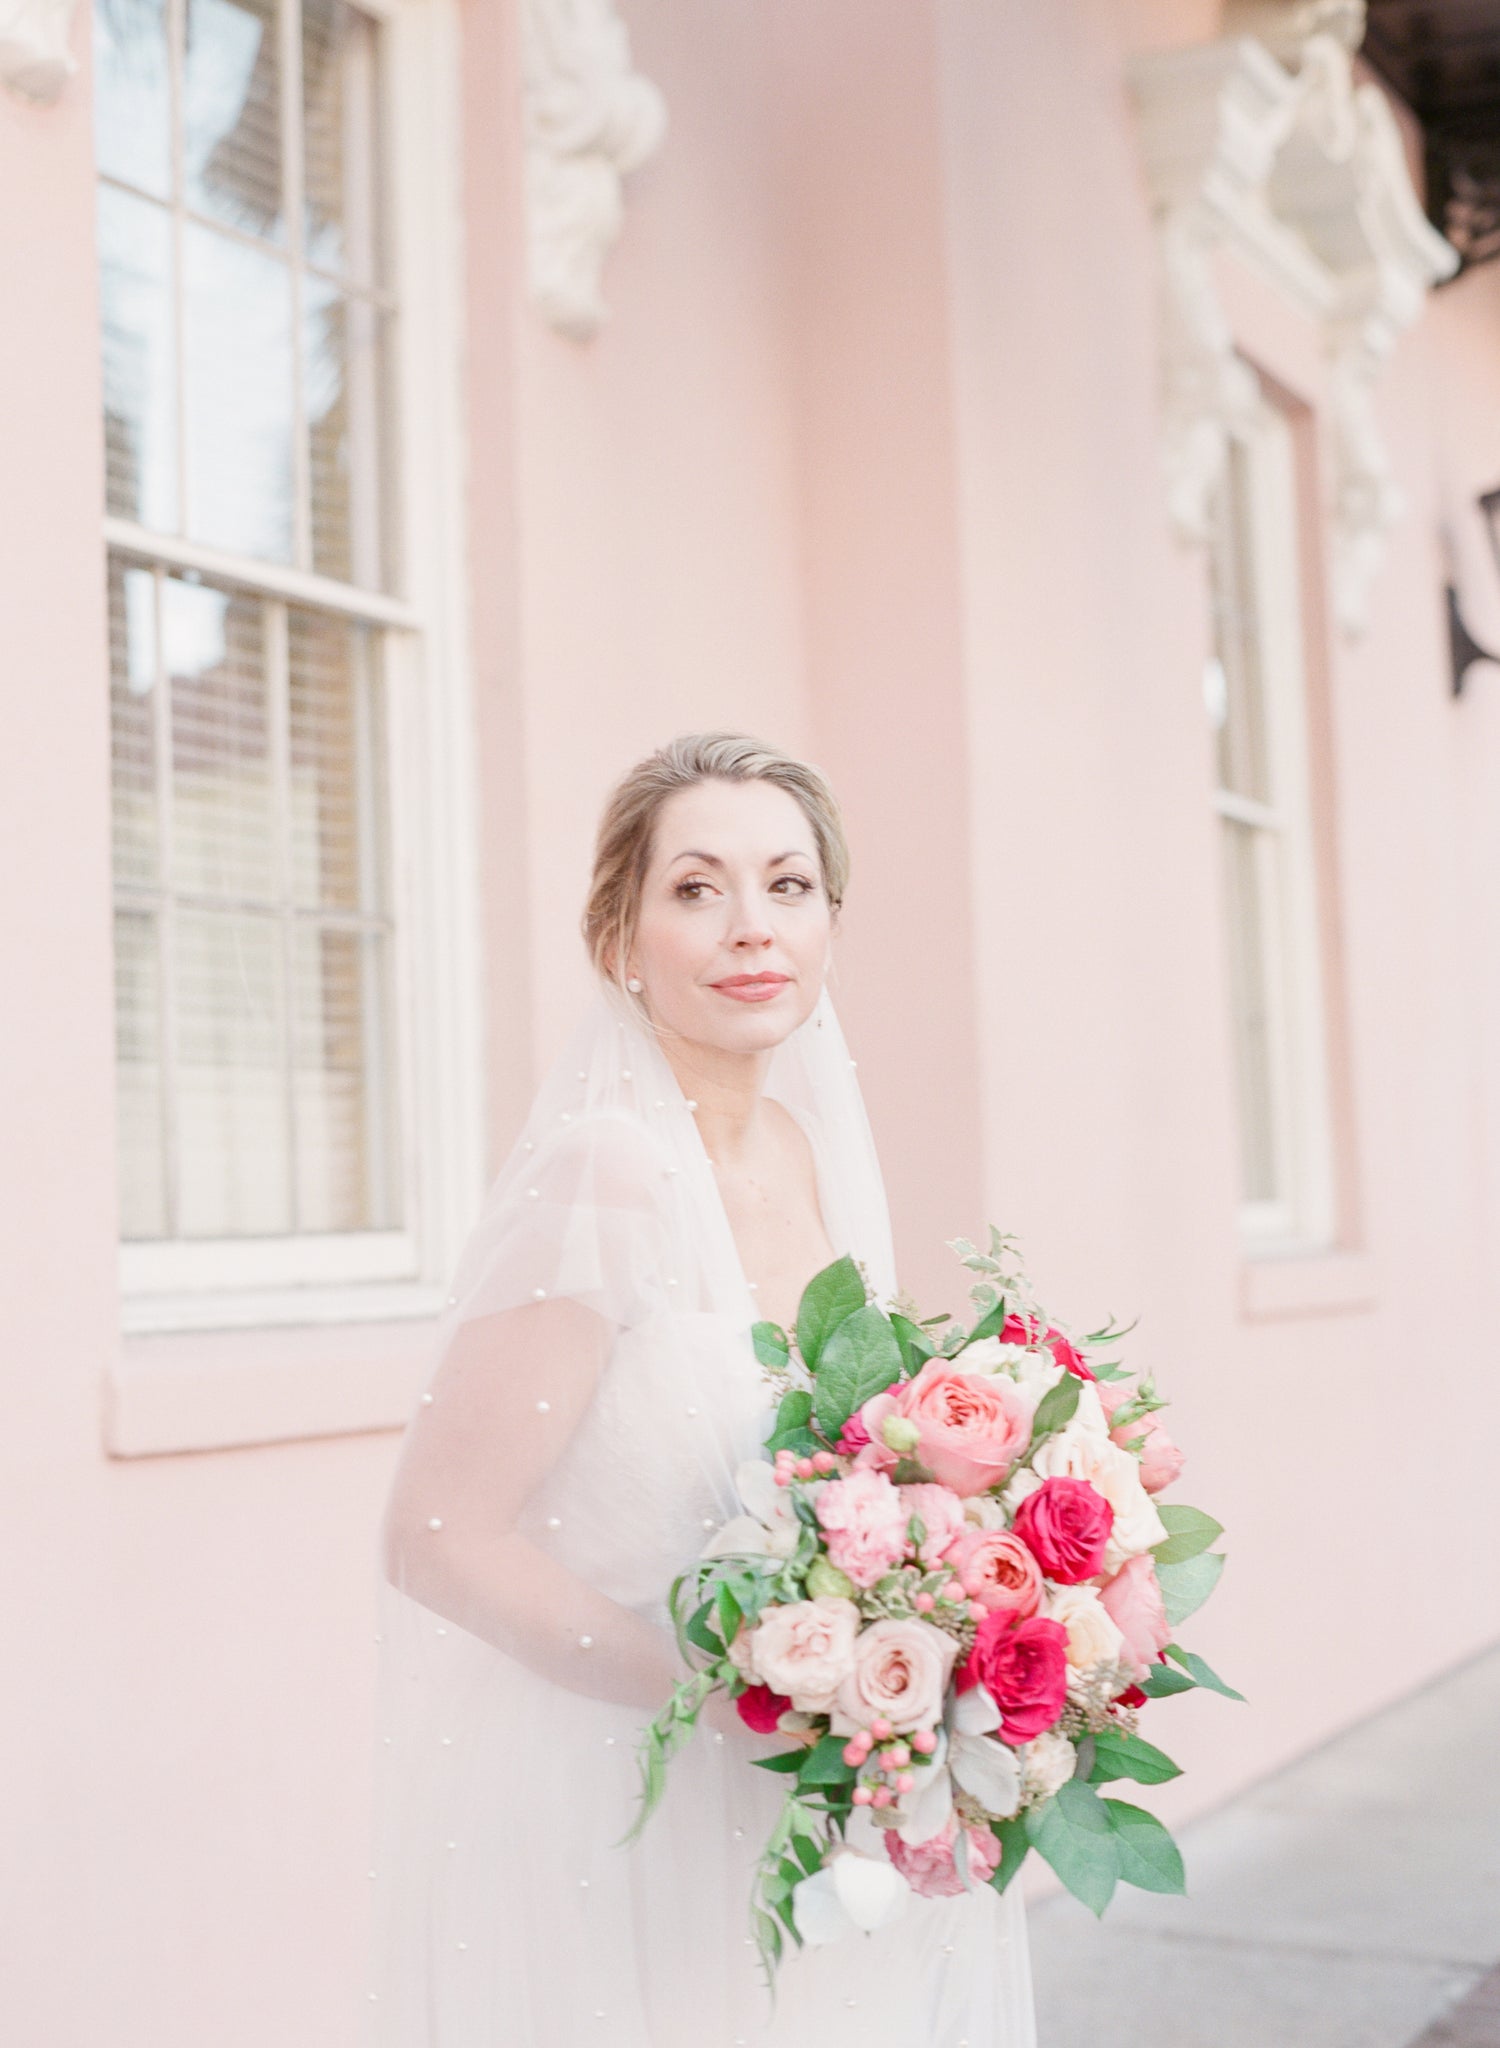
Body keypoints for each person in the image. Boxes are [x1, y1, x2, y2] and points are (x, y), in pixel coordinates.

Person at [365, 732, 1037, 2046]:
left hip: (815, 1796)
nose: (751, 928)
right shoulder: (607, 1175)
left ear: (829, 922)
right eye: (695, 888)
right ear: (620, 934)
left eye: (788, 886)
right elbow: (434, 1536)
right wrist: (725, 1696)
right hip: (636, 1798)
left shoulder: (801, 1148)